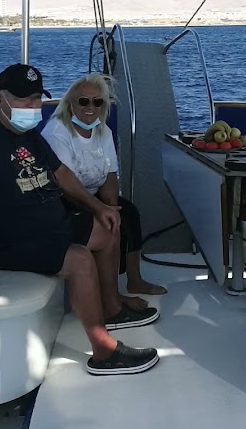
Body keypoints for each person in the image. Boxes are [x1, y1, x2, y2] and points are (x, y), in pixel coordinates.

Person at [0, 63, 160, 376]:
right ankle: (103, 351)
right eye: (23, 99)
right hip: (8, 240)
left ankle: (111, 308)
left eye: (35, 98)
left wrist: (98, 208)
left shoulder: (28, 135)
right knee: (79, 258)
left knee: (108, 227)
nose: (32, 106)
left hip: (46, 226)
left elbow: (61, 174)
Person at [42, 72, 167, 297]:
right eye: (83, 101)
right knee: (103, 221)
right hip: (62, 199)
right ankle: (109, 296)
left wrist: (110, 206)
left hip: (91, 196)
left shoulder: (103, 131)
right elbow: (65, 183)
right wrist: (98, 209)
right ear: (70, 104)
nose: (90, 107)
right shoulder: (57, 132)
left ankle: (134, 281)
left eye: (97, 102)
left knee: (128, 213)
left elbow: (110, 175)